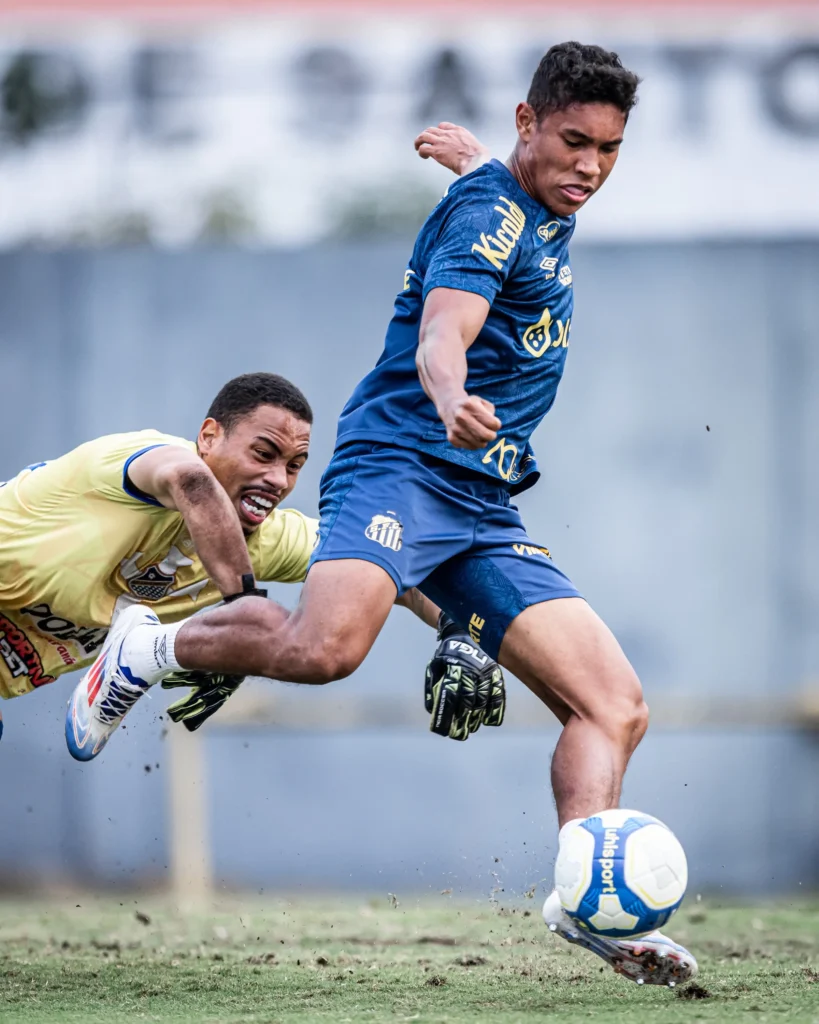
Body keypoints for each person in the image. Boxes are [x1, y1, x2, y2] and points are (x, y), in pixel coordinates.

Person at [71, 44, 696, 984]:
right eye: (573, 142)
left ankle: (586, 903)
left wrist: (482, 158)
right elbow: (446, 328)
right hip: (400, 465)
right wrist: (445, 392)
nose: (590, 167)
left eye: (608, 149)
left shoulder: (516, 188)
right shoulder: (490, 214)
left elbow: (510, 188)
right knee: (325, 651)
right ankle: (146, 649)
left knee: (613, 705)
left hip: (480, 500)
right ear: (530, 124)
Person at [0, 371, 503, 752]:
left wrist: (461, 628)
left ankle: (147, 651)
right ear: (209, 436)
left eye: (294, 466)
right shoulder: (141, 457)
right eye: (263, 453)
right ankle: (149, 651)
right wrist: (245, 612)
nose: (279, 479)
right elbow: (191, 483)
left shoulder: (265, 537)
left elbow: (387, 568)